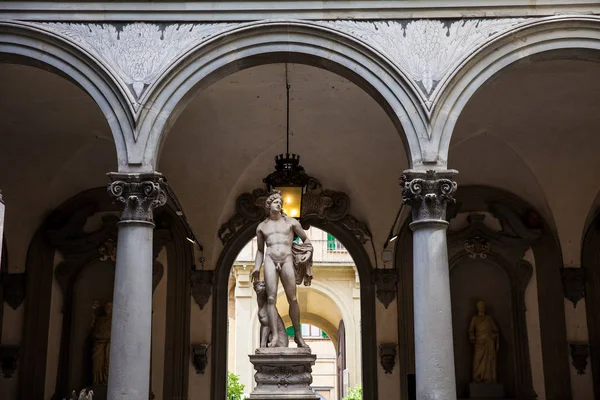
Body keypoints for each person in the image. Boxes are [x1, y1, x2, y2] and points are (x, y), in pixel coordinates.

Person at [251, 190, 313, 348]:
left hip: (287, 259)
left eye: (280, 202)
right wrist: (257, 267)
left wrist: (308, 251)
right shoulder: (262, 227)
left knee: (292, 298)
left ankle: (298, 336)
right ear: (269, 205)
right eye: (276, 201)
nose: (279, 204)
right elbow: (260, 250)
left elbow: (307, 240)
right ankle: (275, 337)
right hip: (270, 259)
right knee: (271, 298)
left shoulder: (291, 222)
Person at [468, 300, 499, 383]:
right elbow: (471, 330)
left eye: (482, 306)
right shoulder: (475, 319)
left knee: (488, 360)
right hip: (479, 342)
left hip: (488, 341)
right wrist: (472, 336)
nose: (481, 308)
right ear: (477, 308)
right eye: (479, 306)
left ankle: (487, 378)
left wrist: (493, 336)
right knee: (477, 360)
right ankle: (477, 377)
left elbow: (495, 330)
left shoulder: (488, 319)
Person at [92, 301, 112, 385]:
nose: (107, 308)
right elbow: (94, 333)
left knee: (108, 364)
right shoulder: (99, 320)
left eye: (109, 307)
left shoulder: (115, 320)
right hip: (98, 346)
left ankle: (106, 381)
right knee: (96, 365)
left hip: (108, 346)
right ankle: (97, 382)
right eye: (106, 306)